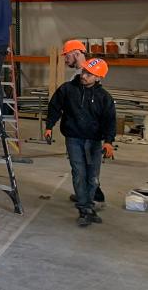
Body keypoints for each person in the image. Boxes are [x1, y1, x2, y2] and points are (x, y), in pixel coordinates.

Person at [44, 58, 116, 227]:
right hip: (74, 138)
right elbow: (54, 106)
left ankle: (88, 206)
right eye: (84, 72)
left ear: (98, 78)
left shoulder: (104, 98)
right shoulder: (68, 89)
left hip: (94, 142)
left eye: (89, 74)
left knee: (93, 178)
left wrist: (109, 142)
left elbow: (110, 121)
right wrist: (49, 126)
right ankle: (84, 209)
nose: (84, 76)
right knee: (79, 173)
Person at [59, 40, 106, 206]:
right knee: (84, 165)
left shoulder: (86, 74)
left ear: (77, 53)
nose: (65, 60)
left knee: (86, 165)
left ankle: (94, 198)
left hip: (87, 132)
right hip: (79, 129)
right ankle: (87, 195)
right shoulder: (81, 74)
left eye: (67, 55)